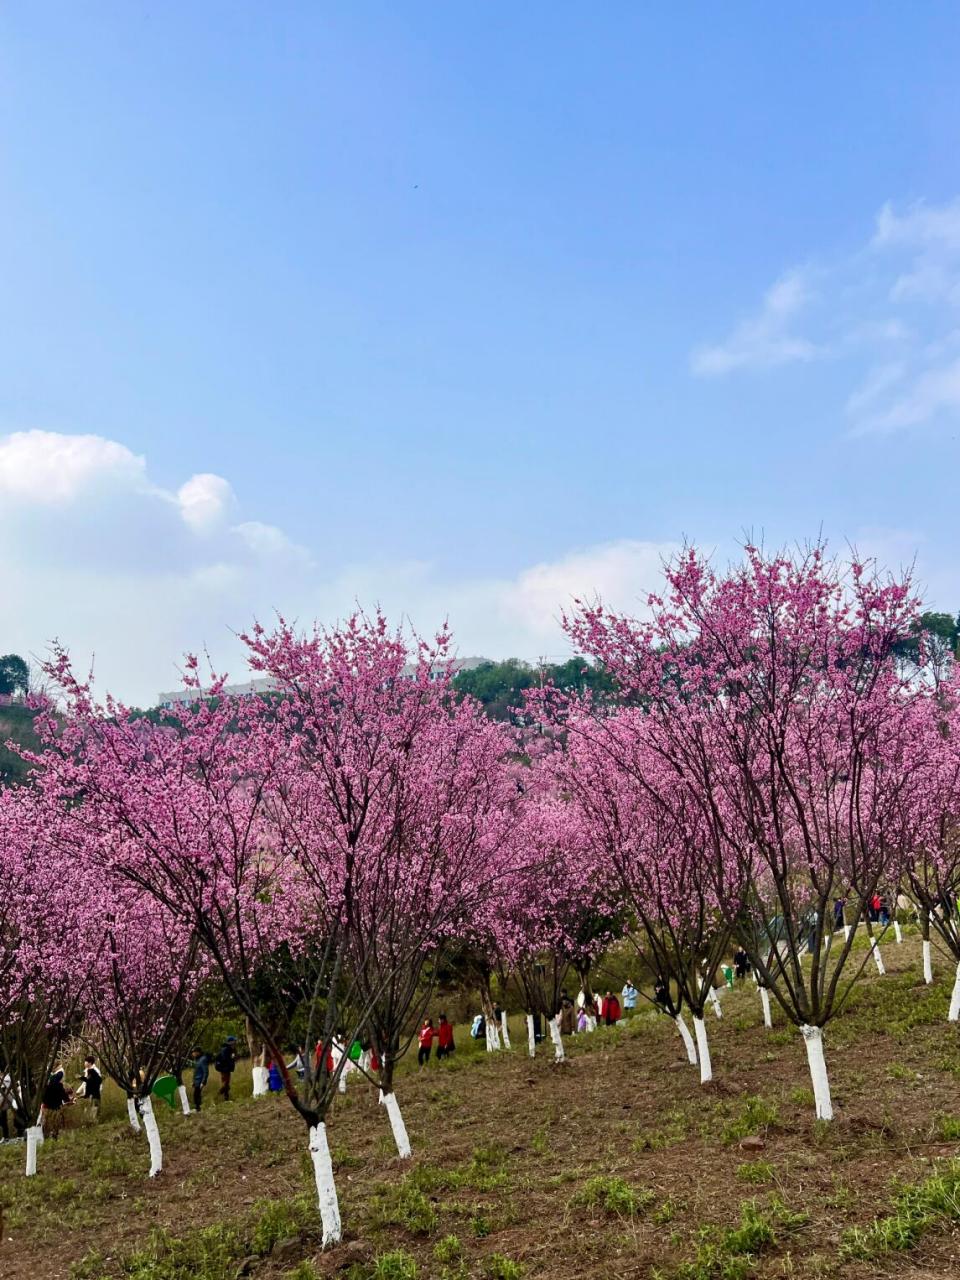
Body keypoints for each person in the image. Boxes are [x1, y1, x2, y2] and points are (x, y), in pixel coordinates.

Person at [41, 1068, 71, 1138]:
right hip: (56, 1109)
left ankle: (45, 1137)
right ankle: (55, 1136)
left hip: (46, 1108)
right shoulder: (59, 1086)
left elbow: (42, 1097)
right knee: (55, 1124)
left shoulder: (46, 1085)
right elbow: (65, 1098)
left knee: (46, 1125)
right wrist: (69, 1100)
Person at [214, 1036, 237, 1101]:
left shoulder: (230, 1049)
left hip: (226, 1069)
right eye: (234, 1041)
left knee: (226, 1084)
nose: (235, 1042)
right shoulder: (226, 1049)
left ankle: (226, 1099)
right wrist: (231, 1060)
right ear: (230, 1042)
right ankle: (217, 1096)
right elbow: (225, 1059)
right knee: (225, 1084)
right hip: (224, 1069)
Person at [80, 1055, 102, 1122]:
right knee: (86, 1108)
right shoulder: (87, 1070)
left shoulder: (95, 1071)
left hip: (94, 1093)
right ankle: (87, 1123)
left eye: (85, 1061)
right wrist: (79, 1090)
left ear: (90, 1063)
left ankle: (92, 1123)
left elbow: (98, 1082)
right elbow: (85, 1082)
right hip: (87, 1093)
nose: (84, 1063)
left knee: (93, 1109)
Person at [191, 1046, 210, 1111]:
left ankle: (198, 1108)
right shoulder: (197, 1060)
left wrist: (203, 1082)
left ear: (198, 1052)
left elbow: (206, 1071)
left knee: (196, 1095)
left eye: (194, 1052)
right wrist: (193, 1081)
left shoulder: (203, 1060)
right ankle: (198, 1108)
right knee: (196, 1095)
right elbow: (195, 1072)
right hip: (196, 1081)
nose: (193, 1054)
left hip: (200, 1081)